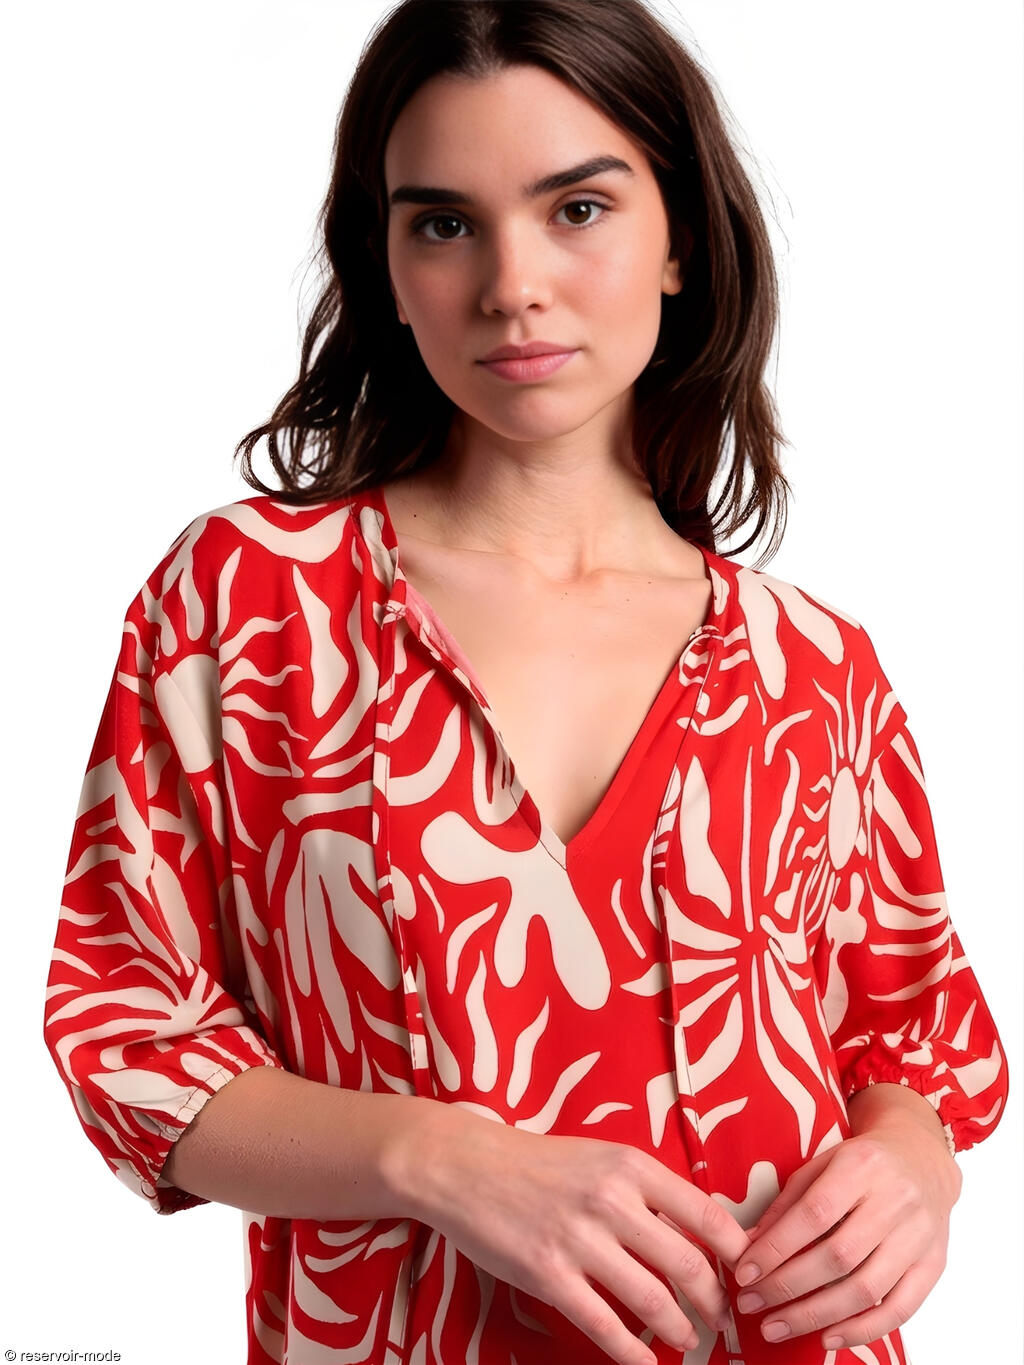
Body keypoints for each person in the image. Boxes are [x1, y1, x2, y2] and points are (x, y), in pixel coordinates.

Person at [41, 2, 1008, 1363]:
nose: (511, 284)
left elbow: (911, 1040)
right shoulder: (248, 606)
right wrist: (441, 1158)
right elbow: (130, 1035)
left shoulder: (816, 666)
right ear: (385, 266)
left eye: (578, 209)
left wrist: (916, 1163)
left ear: (679, 239)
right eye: (444, 223)